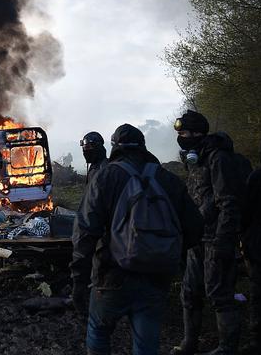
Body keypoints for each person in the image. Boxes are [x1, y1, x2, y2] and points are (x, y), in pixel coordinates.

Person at [71, 124, 203, 355]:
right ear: (143, 146)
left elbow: (85, 231)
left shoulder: (105, 177)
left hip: (111, 274)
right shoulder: (167, 179)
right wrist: (170, 257)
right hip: (156, 276)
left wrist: (78, 280)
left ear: (114, 148)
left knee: (99, 331)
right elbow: (195, 228)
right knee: (146, 343)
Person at [172, 110, 246, 355]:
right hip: (198, 238)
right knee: (190, 291)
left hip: (217, 238)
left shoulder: (218, 159)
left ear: (197, 133)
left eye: (183, 133)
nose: (180, 137)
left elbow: (228, 203)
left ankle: (226, 348)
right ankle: (189, 342)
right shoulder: (197, 159)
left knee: (219, 293)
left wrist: (226, 241)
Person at [240, 127, 261, 355]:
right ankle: (258, 343)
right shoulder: (258, 178)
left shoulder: (258, 177)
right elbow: (246, 213)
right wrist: (245, 241)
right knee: (260, 297)